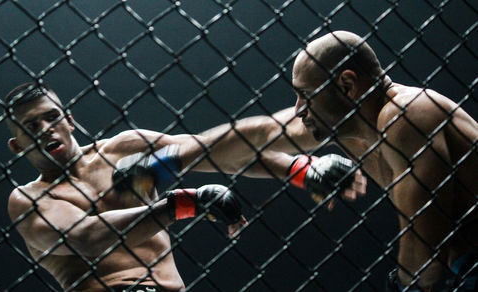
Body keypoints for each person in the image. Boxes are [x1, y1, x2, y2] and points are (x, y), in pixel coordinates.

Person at [4, 82, 366, 291]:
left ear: (69, 119)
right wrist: (181, 203)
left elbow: (211, 152)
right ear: (17, 145)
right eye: (31, 127)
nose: (46, 130)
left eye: (51, 118)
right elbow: (84, 237)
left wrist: (303, 169)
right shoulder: (29, 200)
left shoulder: (124, 147)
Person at [197, 31, 478, 291]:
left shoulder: (406, 115)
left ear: (346, 85)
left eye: (305, 95)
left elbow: (425, 253)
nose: (297, 110)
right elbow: (258, 136)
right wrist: (170, 156)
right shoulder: (348, 127)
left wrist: (404, 287)